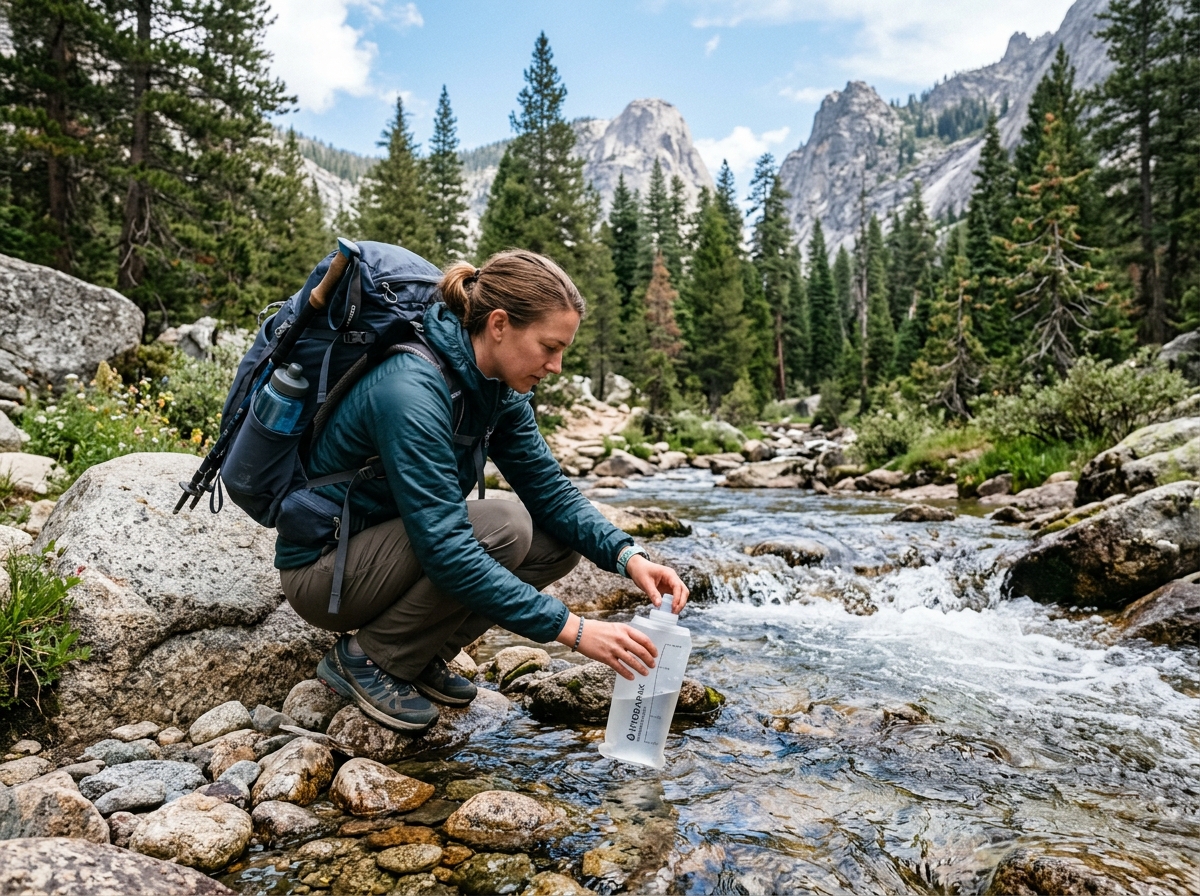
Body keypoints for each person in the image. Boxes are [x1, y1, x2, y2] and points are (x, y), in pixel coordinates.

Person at [278, 249, 690, 731]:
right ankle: (368, 658)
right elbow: (448, 551)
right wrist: (574, 631)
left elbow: (550, 490)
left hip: (385, 550)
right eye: (549, 347)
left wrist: (628, 556)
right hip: (325, 570)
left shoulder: (496, 387)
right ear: (499, 324)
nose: (555, 366)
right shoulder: (410, 389)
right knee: (507, 527)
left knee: (557, 544)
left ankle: (421, 655)